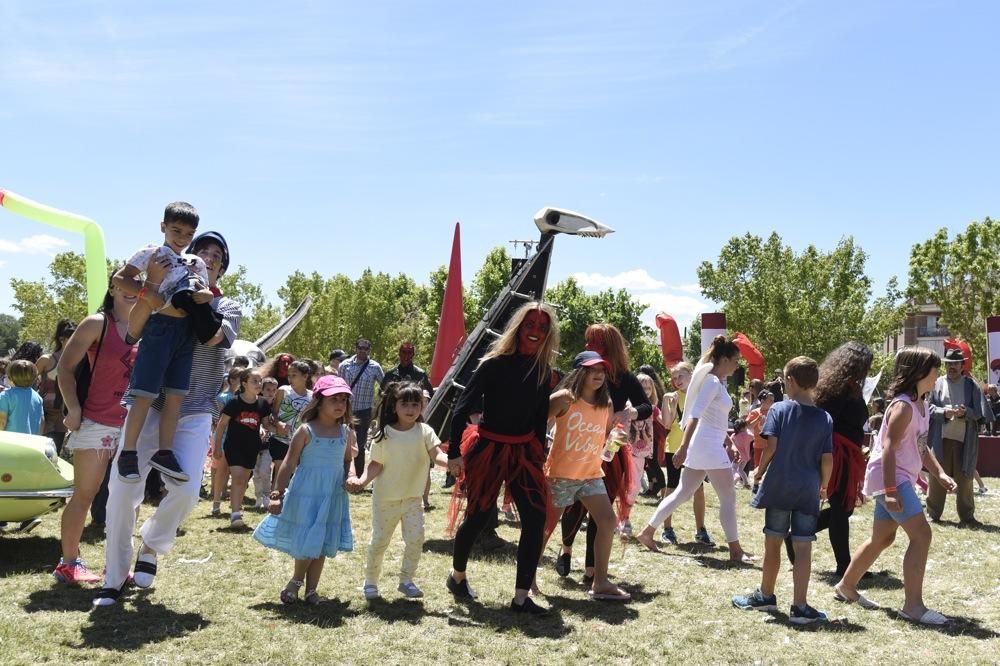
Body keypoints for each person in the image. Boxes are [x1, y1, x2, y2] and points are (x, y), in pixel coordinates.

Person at [95, 231, 240, 607]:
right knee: (121, 493)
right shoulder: (160, 297)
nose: (209, 258)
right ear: (186, 258)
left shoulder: (228, 307)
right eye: (201, 252)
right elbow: (132, 332)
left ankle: (151, 545)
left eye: (217, 257)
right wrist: (152, 290)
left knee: (189, 490)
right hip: (148, 405)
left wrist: (192, 301)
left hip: (193, 410)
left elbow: (214, 339)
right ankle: (113, 579)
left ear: (221, 269)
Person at [446, 301, 558, 615]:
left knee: (535, 518)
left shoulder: (543, 370)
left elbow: (538, 416)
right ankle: (457, 577)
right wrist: (455, 453)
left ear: (548, 334)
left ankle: (521, 597)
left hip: (524, 451)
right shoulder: (493, 363)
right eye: (530, 325)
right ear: (519, 327)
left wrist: (539, 453)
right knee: (479, 517)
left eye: (541, 327)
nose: (535, 332)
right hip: (489, 448)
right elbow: (461, 407)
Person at [835, 347, 956, 625]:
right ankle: (913, 606)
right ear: (919, 372)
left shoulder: (922, 405)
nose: (938, 374)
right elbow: (888, 450)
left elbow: (922, 448)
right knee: (922, 535)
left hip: (895, 478)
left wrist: (939, 474)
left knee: (883, 538)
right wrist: (890, 492)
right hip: (891, 478)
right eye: (934, 368)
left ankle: (846, 587)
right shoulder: (902, 406)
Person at [113, 202, 221, 484]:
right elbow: (120, 279)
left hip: (185, 331)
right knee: (145, 394)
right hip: (159, 326)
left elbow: (203, 290)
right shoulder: (151, 252)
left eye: (188, 234)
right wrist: (148, 294)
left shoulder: (195, 262)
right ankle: (128, 452)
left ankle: (164, 452)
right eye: (176, 230)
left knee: (176, 395)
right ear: (163, 227)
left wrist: (205, 296)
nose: (182, 238)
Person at [732, 356, 832, 624]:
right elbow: (827, 459)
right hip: (808, 489)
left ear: (789, 381)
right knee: (803, 547)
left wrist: (759, 471)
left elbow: (771, 447)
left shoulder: (778, 410)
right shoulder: (825, 418)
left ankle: (766, 595)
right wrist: (823, 486)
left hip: (780, 486)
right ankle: (800, 606)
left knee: (773, 541)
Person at [636, 336, 753, 563]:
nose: (738, 365)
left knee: (682, 492)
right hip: (706, 446)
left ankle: (647, 532)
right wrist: (682, 447)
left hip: (706, 445)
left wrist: (727, 443)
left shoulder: (714, 382)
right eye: (736, 360)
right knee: (727, 497)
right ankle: (736, 550)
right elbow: (695, 416)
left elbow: (712, 419)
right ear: (725, 359)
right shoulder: (711, 382)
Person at [53, 281, 137, 585]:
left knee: (125, 498)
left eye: (138, 283)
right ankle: (68, 562)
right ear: (112, 288)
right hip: (97, 422)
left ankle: (116, 565)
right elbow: (64, 368)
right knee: (85, 494)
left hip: (133, 426)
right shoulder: (97, 323)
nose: (132, 288)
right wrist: (73, 408)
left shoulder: (149, 325)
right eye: (124, 283)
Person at [253, 375, 357, 605]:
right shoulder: (306, 430)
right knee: (308, 539)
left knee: (321, 541)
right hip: (306, 493)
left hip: (331, 494)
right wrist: (277, 494)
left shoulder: (346, 432)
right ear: (319, 402)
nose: (340, 404)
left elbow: (348, 460)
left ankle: (311, 590)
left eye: (343, 400)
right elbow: (288, 464)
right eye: (334, 399)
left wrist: (351, 476)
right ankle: (296, 581)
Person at [558, 324, 650, 576]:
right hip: (581, 446)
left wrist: (630, 411)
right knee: (574, 504)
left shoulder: (624, 377)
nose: (588, 346)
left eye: (594, 342)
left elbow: (646, 406)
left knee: (603, 510)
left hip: (611, 449)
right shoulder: (582, 370)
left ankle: (591, 569)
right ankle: (566, 549)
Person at [543, 351, 631, 601]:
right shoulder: (564, 398)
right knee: (544, 528)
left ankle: (600, 582)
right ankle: (528, 581)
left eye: (602, 370)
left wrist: (615, 439)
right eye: (593, 370)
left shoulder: (607, 403)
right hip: (561, 474)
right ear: (579, 372)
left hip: (591, 474)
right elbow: (538, 423)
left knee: (607, 521)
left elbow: (603, 436)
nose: (599, 374)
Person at [348, 382, 448, 599]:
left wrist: (452, 463)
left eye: (415, 404)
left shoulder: (425, 431)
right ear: (395, 406)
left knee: (416, 539)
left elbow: (437, 455)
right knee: (380, 542)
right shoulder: (384, 434)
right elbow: (376, 464)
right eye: (405, 404)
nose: (411, 409)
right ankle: (370, 582)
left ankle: (406, 581)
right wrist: (362, 481)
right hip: (386, 499)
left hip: (413, 499)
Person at [790, 342, 872, 577]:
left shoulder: (843, 387)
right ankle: (844, 566)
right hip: (838, 454)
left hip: (846, 453)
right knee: (840, 509)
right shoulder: (837, 390)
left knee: (843, 509)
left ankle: (794, 534)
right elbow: (824, 422)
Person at [926, 348, 985, 527]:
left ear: (962, 366)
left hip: (965, 440)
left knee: (966, 477)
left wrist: (966, 412)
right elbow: (928, 409)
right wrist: (945, 412)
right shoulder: (936, 384)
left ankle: (967, 517)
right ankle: (933, 513)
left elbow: (980, 413)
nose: (951, 367)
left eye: (955, 364)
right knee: (937, 476)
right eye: (949, 364)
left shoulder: (971, 385)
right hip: (940, 439)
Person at [657, 362, 711, 546]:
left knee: (699, 489)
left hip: (696, 448)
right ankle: (667, 529)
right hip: (674, 447)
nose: (677, 380)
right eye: (674, 377)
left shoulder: (701, 396)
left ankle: (701, 530)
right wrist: (667, 403)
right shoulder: (671, 397)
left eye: (680, 376)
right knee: (671, 489)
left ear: (691, 375)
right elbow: (666, 423)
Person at [213, 368, 272, 529]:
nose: (258, 384)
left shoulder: (263, 404)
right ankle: (235, 515)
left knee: (243, 480)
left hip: (252, 446)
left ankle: (235, 511)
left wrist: (276, 428)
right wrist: (217, 447)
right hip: (234, 445)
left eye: (260, 381)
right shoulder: (234, 402)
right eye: (255, 381)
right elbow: (221, 425)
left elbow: (267, 425)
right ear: (244, 383)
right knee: (238, 478)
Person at [339, 338, 385, 477]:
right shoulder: (344, 365)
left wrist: (382, 398)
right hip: (345, 409)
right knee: (342, 441)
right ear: (355, 348)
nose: (363, 351)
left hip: (364, 411)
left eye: (366, 348)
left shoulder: (375, 367)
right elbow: (338, 385)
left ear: (369, 350)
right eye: (360, 348)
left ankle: (359, 476)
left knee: (360, 442)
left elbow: (384, 385)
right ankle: (342, 474)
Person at [268, 360, 313, 492]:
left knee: (295, 473)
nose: (290, 378)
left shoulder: (312, 396)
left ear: (305, 376)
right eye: (289, 375)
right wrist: (278, 423)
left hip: (300, 442)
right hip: (280, 438)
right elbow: (273, 413)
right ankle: (274, 498)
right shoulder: (283, 390)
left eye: (294, 375)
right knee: (279, 468)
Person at [35, 319, 76, 453]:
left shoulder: (80, 360)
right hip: (43, 413)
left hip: (62, 415)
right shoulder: (46, 360)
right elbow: (27, 383)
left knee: (53, 454)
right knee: (39, 451)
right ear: (61, 338)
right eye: (70, 337)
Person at [252, 376, 280, 509]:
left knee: (265, 470)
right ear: (261, 390)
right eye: (268, 389)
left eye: (274, 390)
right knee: (256, 472)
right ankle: (258, 497)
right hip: (254, 443)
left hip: (269, 444)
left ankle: (266, 496)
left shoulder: (277, 406)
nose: (271, 392)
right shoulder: (256, 404)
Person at [0, 360, 43, 434]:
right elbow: (42, 422)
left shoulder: (6, 395)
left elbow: (1, 421)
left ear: (10, 378)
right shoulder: (37, 397)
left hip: (10, 441)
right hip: (31, 441)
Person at [746, 390, 774, 492]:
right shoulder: (755, 412)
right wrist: (757, 420)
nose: (772, 402)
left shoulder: (774, 412)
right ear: (762, 400)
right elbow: (748, 426)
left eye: (773, 400)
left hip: (772, 445)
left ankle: (768, 488)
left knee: (771, 468)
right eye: (769, 400)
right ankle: (756, 486)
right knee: (758, 467)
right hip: (759, 445)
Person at [731, 419, 753, 488]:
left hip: (738, 456)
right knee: (741, 470)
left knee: (733, 468)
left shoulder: (734, 436)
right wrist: (748, 431)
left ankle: (735, 480)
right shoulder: (748, 435)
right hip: (746, 457)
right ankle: (746, 483)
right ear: (743, 427)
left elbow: (730, 442)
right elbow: (752, 436)